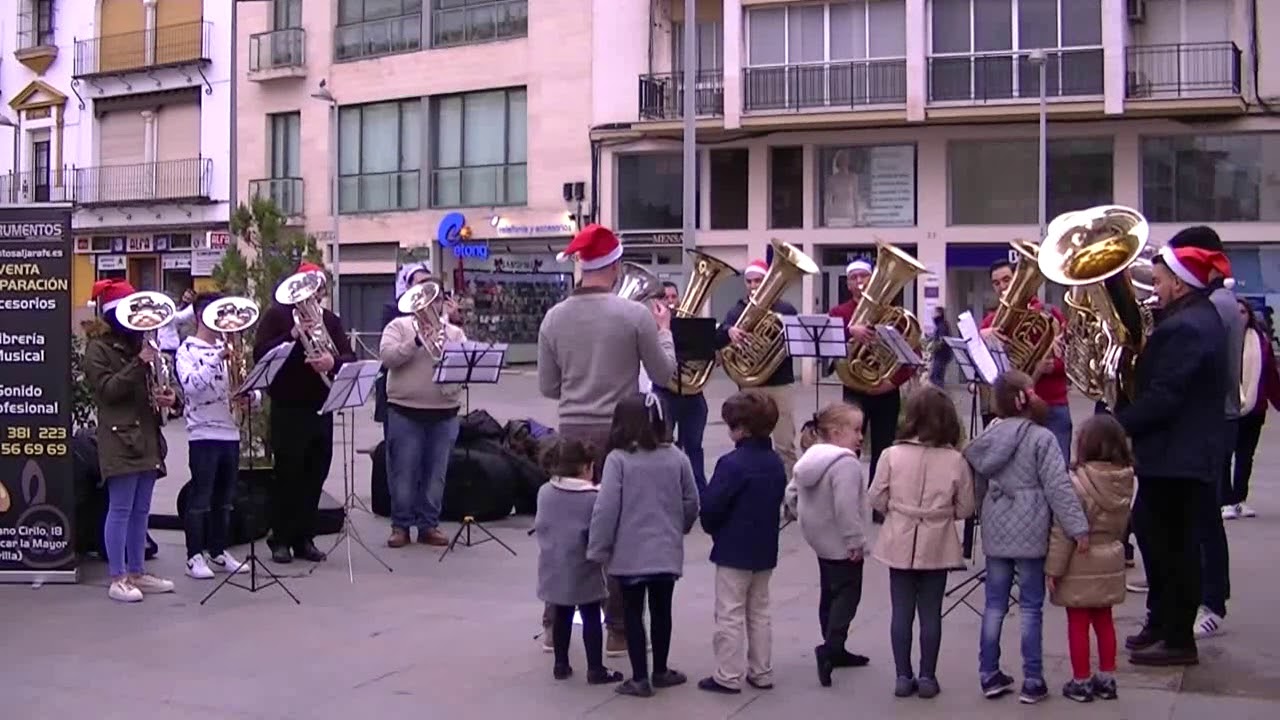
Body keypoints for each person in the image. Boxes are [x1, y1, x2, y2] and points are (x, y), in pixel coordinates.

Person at [538, 223, 677, 657]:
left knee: (571, 530)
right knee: (619, 530)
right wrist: (666, 331)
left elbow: (548, 386)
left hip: (573, 433)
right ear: (615, 264)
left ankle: (552, 626)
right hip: (622, 433)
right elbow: (664, 374)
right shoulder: (634, 315)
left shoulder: (554, 317)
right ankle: (618, 629)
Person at [1117, 244, 1228, 666]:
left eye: (1160, 280)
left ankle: (1178, 638)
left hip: (1177, 456)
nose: (1155, 288)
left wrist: (1117, 424)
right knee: (1154, 535)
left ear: (1180, 283)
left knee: (1175, 550)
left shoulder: (1185, 328)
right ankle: (1162, 622)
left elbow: (1165, 396)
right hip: (1174, 455)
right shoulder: (1193, 318)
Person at [963, 369, 1089, 703]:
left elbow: (977, 484)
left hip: (996, 526)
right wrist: (1078, 527)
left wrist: (979, 514)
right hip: (1031, 528)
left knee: (994, 605)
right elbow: (1058, 487)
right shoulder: (1041, 438)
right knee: (1031, 607)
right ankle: (1032, 679)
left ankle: (989, 673)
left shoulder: (989, 436)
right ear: (1024, 399)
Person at [587, 393, 700, 698]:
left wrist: (598, 548)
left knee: (633, 613)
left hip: (629, 552)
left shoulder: (618, 460)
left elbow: (606, 507)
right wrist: (680, 527)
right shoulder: (677, 456)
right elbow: (691, 501)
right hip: (666, 549)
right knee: (663, 610)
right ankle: (661, 670)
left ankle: (640, 677)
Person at [870, 386, 975, 700]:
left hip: (899, 535)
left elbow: (875, 497)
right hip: (938, 539)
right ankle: (928, 676)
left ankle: (903, 676)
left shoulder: (891, 454)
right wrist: (942, 514)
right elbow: (967, 507)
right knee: (931, 612)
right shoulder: (956, 460)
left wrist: (896, 510)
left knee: (901, 611)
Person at [1164, 228, 1242, 641]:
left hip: (1215, 422)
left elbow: (1215, 373)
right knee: (1194, 516)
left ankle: (1213, 602)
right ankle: (1191, 590)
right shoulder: (1211, 303)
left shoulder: (1220, 306)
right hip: (1204, 421)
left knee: (1207, 516)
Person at [252, 261, 356, 564]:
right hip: (288, 407)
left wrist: (331, 364)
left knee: (315, 474)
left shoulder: (331, 321)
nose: (313, 297)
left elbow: (348, 354)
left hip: (322, 406)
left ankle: (304, 538)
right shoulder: (278, 317)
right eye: (307, 288)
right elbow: (260, 354)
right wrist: (294, 335)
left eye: (317, 290)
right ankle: (280, 539)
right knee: (288, 475)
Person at [83, 279, 177, 602]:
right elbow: (108, 390)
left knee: (141, 510)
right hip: (119, 438)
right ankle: (117, 576)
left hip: (147, 436)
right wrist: (139, 364)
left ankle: (137, 571)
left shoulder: (142, 346)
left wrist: (168, 398)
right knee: (120, 508)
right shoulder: (98, 349)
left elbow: (152, 389)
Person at [696, 391, 787, 695]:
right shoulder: (774, 462)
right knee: (759, 611)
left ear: (743, 429)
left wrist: (713, 528)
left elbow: (711, 506)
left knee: (730, 613)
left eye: (732, 425)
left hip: (734, 547)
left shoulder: (732, 464)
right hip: (764, 547)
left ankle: (728, 674)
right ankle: (762, 670)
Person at [1045, 414, 1135, 703]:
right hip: (1109, 552)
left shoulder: (1075, 483)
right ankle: (1107, 677)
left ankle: (1081, 679)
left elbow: (1063, 531)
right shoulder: (1125, 480)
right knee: (1105, 621)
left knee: (1078, 623)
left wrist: (1053, 570)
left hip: (1079, 560)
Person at [378, 275, 467, 548]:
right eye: (427, 298)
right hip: (406, 411)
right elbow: (388, 358)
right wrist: (416, 341)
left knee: (435, 475)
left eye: (437, 299)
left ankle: (429, 525)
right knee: (404, 473)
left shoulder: (454, 333)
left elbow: (465, 365)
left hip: (445, 412)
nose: (432, 304)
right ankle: (401, 526)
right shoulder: (399, 326)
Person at [786, 402, 870, 688]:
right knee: (848, 595)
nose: (861, 436)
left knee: (829, 594)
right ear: (836, 432)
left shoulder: (811, 458)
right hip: (842, 543)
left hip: (820, 541)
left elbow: (792, 493)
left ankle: (835, 647)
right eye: (856, 430)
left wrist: (806, 518)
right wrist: (855, 541)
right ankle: (831, 649)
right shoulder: (845, 464)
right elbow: (846, 507)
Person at [174, 292, 257, 579]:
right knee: (201, 498)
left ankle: (219, 551)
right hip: (203, 433)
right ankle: (193, 556)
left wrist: (252, 398)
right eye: (215, 315)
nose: (223, 322)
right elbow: (192, 387)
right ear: (200, 317)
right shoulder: (188, 350)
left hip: (230, 432)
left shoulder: (230, 348)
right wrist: (216, 359)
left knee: (225, 499)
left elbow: (245, 386)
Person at [534, 436, 624, 686]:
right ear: (586, 467)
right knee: (591, 616)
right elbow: (599, 532)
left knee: (561, 612)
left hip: (553, 564)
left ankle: (560, 664)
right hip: (583, 566)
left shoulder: (545, 492)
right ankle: (595, 668)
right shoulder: (593, 498)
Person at [829, 259, 914, 496]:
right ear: (848, 284)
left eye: (863, 277)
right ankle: (848, 495)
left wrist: (891, 382)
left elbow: (911, 355)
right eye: (854, 278)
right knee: (847, 445)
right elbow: (828, 348)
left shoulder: (892, 313)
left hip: (886, 389)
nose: (859, 282)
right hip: (854, 388)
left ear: (872, 280)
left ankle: (877, 497)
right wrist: (849, 330)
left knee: (884, 447)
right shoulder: (839, 312)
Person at [980, 259, 1071, 463]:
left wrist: (1050, 366)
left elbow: (1072, 360)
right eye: (996, 283)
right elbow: (981, 365)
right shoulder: (990, 323)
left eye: (1007, 280)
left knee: (1058, 471)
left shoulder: (1049, 313)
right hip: (1013, 410)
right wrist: (982, 337)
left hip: (1052, 405)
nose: (1002, 287)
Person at [716, 258, 799, 476]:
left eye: (758, 281)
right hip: (749, 386)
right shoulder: (737, 311)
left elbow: (797, 343)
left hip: (779, 382)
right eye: (749, 281)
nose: (753, 286)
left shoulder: (785, 309)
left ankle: (788, 500)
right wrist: (728, 331)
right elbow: (720, 339)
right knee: (748, 442)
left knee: (785, 445)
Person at [1224, 299, 1280, 520]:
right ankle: (1225, 501)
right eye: (1235, 312)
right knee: (1225, 456)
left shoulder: (1261, 341)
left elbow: (1270, 378)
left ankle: (1239, 499)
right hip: (1228, 408)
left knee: (1246, 457)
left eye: (1243, 311)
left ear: (1249, 315)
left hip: (1255, 408)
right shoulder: (1223, 339)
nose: (1239, 316)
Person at [651, 281, 710, 488]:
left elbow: (709, 354)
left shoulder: (694, 325)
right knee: (662, 446)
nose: (670, 302)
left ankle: (700, 494)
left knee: (694, 447)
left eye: (673, 297)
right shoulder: (651, 328)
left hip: (693, 396)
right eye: (665, 298)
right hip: (664, 394)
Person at [928, 307, 953, 387]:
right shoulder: (941, 325)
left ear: (939, 314)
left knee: (936, 378)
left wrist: (932, 347)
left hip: (941, 355)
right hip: (941, 355)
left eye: (934, 313)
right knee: (935, 377)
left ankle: (939, 395)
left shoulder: (942, 326)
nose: (932, 315)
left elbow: (941, 341)